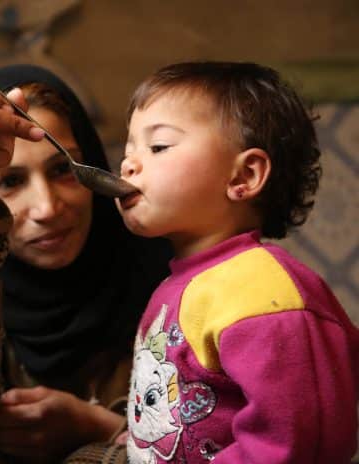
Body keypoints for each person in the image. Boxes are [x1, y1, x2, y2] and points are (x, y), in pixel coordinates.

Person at [0, 64, 171, 463]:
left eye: (64, 169)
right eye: (11, 182)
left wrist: (98, 426)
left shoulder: (169, 281)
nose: (47, 208)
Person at [108, 61, 359, 463]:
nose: (128, 165)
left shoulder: (264, 295)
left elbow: (297, 446)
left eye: (158, 147)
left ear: (244, 176)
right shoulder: (179, 284)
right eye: (129, 150)